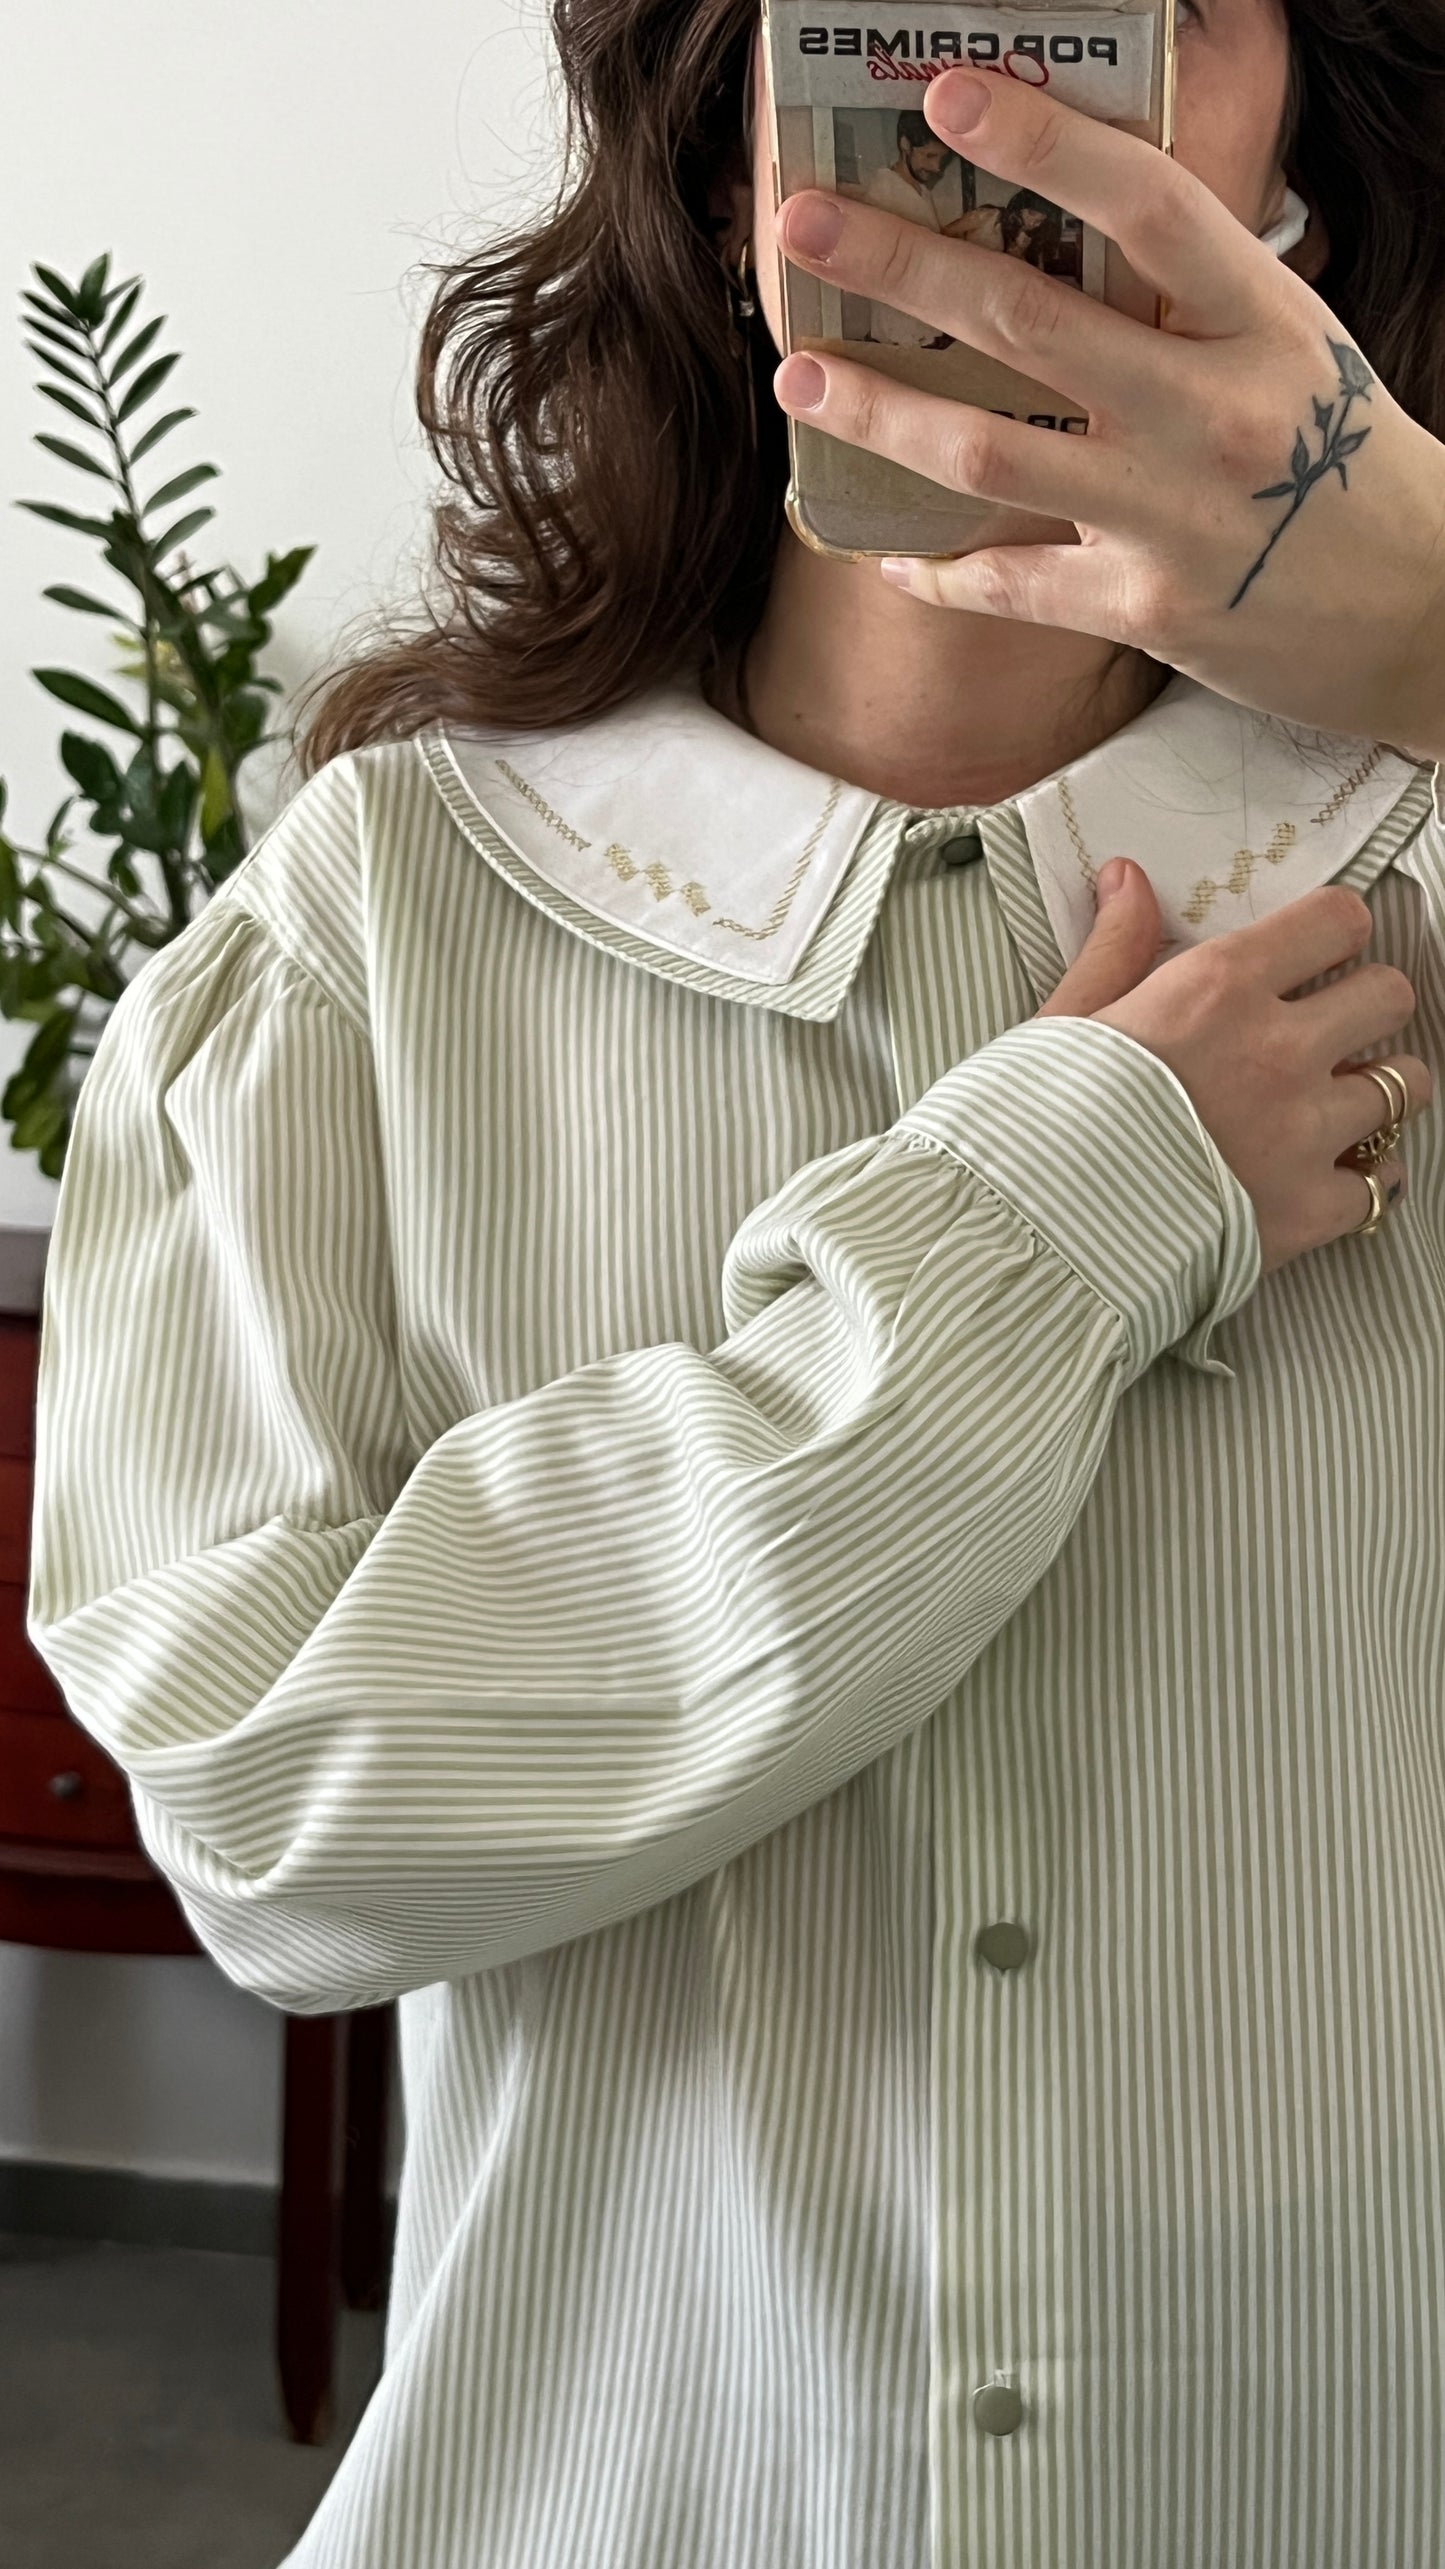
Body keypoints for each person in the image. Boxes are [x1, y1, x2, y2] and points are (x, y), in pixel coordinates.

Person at [25, 0, 1445, 2563]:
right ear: (726, 144)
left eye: (1146, 8)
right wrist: (1054, 1219)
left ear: (1306, 157)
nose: (1005, 76)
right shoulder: (376, 938)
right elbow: (268, 1811)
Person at [862, 109, 975, 343]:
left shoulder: (922, 191)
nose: (937, 168)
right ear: (905, 145)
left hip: (923, 327)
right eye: (929, 156)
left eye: (941, 159)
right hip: (898, 335)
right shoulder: (883, 190)